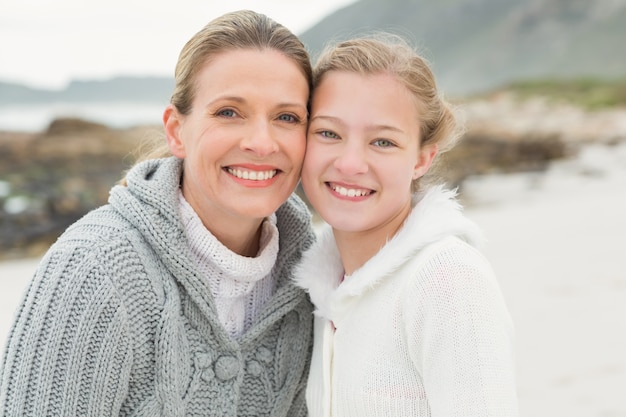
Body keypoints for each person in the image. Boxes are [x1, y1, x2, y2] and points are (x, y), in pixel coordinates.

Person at [0, 10, 315, 417]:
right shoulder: (92, 271)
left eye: (286, 117)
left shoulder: (317, 278)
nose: (261, 142)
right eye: (228, 112)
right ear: (175, 130)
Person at [294, 34, 518, 416]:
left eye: (382, 142)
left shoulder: (447, 279)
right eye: (329, 133)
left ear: (422, 159)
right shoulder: (323, 288)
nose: (350, 164)